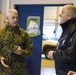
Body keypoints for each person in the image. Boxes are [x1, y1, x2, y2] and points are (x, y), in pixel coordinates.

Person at [0, 9, 34, 75]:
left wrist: (21, 52)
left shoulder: (23, 34)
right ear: (7, 18)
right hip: (4, 71)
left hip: (20, 71)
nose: (15, 20)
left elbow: (30, 50)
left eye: (17, 17)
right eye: (13, 17)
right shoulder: (1, 33)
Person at [47, 4, 76, 75]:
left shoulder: (74, 30)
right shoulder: (67, 30)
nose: (60, 15)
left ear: (69, 16)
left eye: (62, 12)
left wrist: (54, 54)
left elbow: (71, 54)